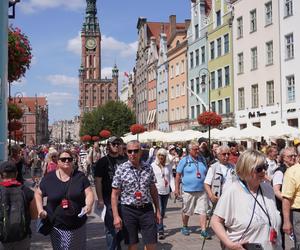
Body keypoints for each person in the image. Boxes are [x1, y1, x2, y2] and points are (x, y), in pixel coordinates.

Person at [211, 150, 282, 249]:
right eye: (259, 169)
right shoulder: (232, 192)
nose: (264, 171)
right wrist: (230, 244)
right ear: (246, 170)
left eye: (265, 167)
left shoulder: (268, 189)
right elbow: (215, 222)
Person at [35, 149, 94, 250]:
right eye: (63, 159)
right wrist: (40, 210)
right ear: (58, 161)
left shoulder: (80, 176)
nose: (66, 161)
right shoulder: (49, 178)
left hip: (78, 224)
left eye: (69, 159)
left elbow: (89, 193)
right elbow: (38, 193)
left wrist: (88, 205)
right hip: (57, 225)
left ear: (72, 161)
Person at [111, 140, 161, 250]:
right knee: (132, 244)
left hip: (146, 209)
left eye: (135, 151)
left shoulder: (148, 168)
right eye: (130, 151)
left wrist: (157, 210)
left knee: (151, 242)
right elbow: (114, 194)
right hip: (128, 210)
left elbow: (153, 190)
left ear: (140, 152)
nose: (132, 154)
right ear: (126, 152)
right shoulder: (121, 169)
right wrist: (116, 216)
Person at [94, 136, 127, 250]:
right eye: (114, 144)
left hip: (124, 198)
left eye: (118, 144)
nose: (116, 146)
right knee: (110, 227)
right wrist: (100, 199)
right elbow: (98, 181)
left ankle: (118, 245)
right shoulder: (102, 162)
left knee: (123, 226)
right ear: (108, 146)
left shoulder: (125, 160)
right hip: (108, 198)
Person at [175, 140, 211, 239]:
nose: (198, 151)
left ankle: (203, 230)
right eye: (195, 149)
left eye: (198, 149)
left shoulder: (202, 159)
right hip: (188, 190)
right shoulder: (184, 160)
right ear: (190, 150)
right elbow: (178, 175)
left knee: (203, 210)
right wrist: (176, 189)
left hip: (202, 190)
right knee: (187, 210)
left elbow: (207, 173)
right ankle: (185, 226)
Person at [0, 161, 37, 249]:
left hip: (2, 241)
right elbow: (34, 215)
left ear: (1, 175)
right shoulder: (27, 192)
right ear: (16, 174)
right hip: (22, 239)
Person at [273, 147, 297, 249]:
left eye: (294, 155)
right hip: (281, 208)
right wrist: (286, 201)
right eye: (290, 156)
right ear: (283, 158)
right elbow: (276, 190)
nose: (293, 158)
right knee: (281, 235)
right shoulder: (280, 171)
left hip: (291, 207)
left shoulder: (294, 169)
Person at [151, 148, 175, 240]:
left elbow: (171, 178)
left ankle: (155, 224)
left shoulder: (168, 166)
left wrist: (174, 189)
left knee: (163, 211)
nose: (161, 157)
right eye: (159, 155)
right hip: (156, 191)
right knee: (159, 210)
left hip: (166, 190)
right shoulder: (153, 165)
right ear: (157, 156)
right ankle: (160, 230)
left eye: (163, 155)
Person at [282, 149, 300, 249]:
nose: (293, 158)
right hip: (298, 214)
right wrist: (287, 221)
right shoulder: (292, 172)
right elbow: (286, 198)